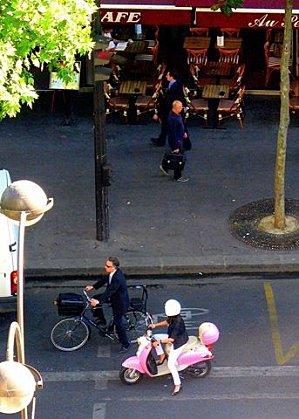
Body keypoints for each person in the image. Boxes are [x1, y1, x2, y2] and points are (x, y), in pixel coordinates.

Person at [85, 257, 130, 353]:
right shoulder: (112, 273)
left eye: (107, 266)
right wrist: (93, 286)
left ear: (113, 267)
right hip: (114, 297)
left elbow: (110, 291)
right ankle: (102, 321)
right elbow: (105, 279)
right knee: (96, 298)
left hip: (120, 302)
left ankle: (125, 344)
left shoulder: (118, 278)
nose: (105, 267)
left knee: (118, 323)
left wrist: (99, 302)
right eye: (105, 264)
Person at [149, 299, 188, 396]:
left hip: (179, 342)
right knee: (155, 336)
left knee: (171, 364)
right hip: (175, 338)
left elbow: (171, 340)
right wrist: (155, 325)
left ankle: (178, 384)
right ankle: (162, 356)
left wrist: (159, 342)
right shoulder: (173, 317)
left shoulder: (177, 323)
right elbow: (166, 322)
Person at [151, 70, 186, 147]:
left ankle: (179, 143)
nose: (166, 76)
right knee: (165, 125)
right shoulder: (171, 84)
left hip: (172, 109)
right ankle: (161, 140)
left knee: (174, 127)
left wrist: (159, 112)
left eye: (167, 75)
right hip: (169, 108)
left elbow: (169, 99)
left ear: (171, 77)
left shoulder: (176, 86)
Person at [160, 100, 189, 182]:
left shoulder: (175, 115)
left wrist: (183, 132)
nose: (182, 108)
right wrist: (176, 145)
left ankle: (165, 166)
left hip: (179, 138)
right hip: (176, 141)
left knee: (175, 155)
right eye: (181, 107)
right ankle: (177, 176)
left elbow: (179, 127)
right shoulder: (173, 119)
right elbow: (172, 133)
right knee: (178, 158)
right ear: (177, 108)